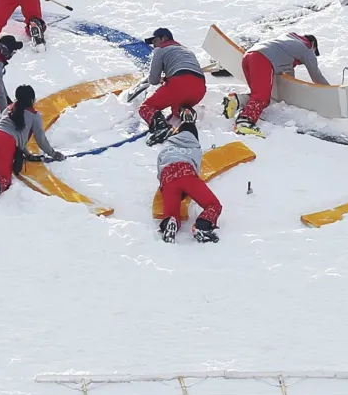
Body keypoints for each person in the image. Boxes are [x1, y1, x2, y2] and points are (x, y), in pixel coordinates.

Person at [0, 84, 66, 204]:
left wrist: (27, 154)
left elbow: (13, 133)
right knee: (3, 178)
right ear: (32, 100)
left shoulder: (9, 109)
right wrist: (53, 153)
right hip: (5, 142)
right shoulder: (34, 115)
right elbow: (40, 139)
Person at [222, 32, 326, 137]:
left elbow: (289, 74)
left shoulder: (289, 40)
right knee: (262, 97)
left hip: (249, 56)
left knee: (257, 94)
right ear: (313, 45)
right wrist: (329, 90)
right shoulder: (307, 48)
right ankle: (244, 122)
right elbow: (316, 75)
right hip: (262, 59)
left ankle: (236, 100)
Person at [156, 108, 222, 244]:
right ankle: (202, 226)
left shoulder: (167, 146)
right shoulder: (195, 147)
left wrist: (163, 185)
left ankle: (170, 222)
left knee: (173, 213)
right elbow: (196, 168)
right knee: (213, 205)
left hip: (168, 177)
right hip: (187, 174)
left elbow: (159, 168)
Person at [138, 27, 206, 145]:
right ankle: (185, 111)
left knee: (146, 107)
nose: (154, 46)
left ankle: (161, 128)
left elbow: (153, 80)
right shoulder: (187, 50)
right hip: (199, 88)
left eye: (155, 41)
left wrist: (161, 80)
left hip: (179, 84)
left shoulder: (160, 50)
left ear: (164, 38)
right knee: (177, 105)